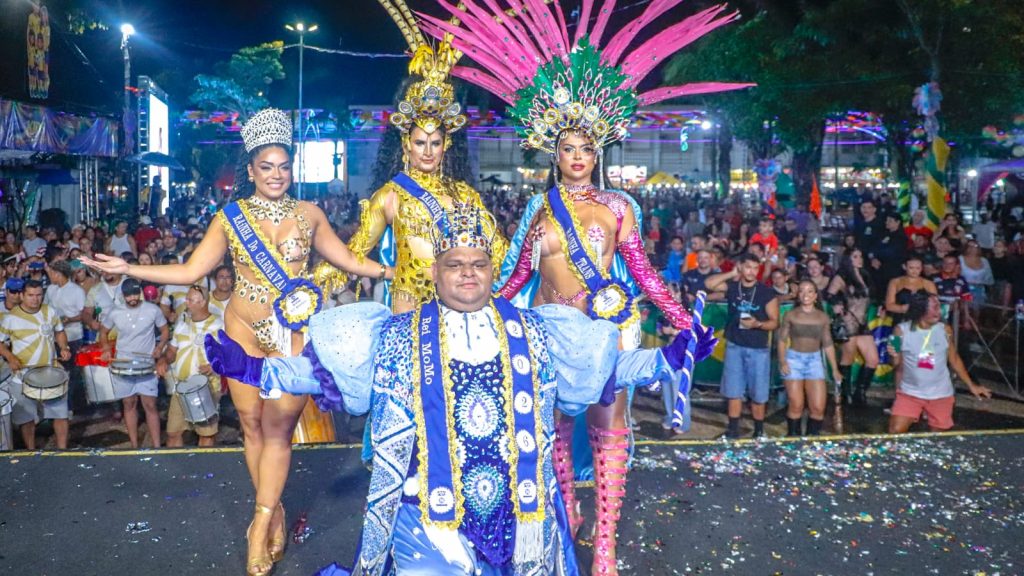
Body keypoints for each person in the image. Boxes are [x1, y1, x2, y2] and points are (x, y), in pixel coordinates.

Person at [206, 202, 705, 576]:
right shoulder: (395, 333)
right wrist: (253, 370)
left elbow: (604, 371)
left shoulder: (537, 329)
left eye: (478, 264)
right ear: (437, 272)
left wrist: (668, 358)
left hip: (522, 514)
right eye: (455, 264)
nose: (468, 273)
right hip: (426, 514)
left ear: (492, 271)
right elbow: (320, 376)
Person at [443, 1, 744, 571]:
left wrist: (683, 321)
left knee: (610, 427)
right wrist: (469, 316)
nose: (578, 158)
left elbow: (646, 272)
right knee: (554, 428)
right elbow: (514, 278)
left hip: (609, 330)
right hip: (551, 332)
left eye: (586, 150)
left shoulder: (618, 205)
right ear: (553, 154)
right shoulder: (537, 208)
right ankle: (566, 513)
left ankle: (604, 539)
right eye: (568, 150)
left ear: (597, 153)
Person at [81, 108, 394, 576]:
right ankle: (275, 509)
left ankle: (259, 523)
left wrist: (396, 273)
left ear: (293, 170)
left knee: (278, 429)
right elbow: (190, 272)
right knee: (250, 424)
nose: (275, 175)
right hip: (242, 331)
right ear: (250, 171)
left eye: (283, 167)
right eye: (265, 167)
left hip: (291, 333)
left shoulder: (310, 215)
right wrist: (129, 269)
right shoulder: (230, 218)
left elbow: (350, 260)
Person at [346, 11, 506, 315]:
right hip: (409, 310)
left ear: (446, 146)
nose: (428, 151)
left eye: (435, 143)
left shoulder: (465, 195)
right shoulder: (391, 196)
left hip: (461, 308)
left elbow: (498, 252)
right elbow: (353, 254)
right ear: (407, 144)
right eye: (420, 143)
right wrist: (387, 273)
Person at [886, 292, 991, 433]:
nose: (939, 311)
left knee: (939, 438)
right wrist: (893, 354)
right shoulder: (901, 330)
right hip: (910, 393)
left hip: (941, 394)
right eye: (934, 307)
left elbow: (953, 358)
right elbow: (895, 364)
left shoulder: (945, 330)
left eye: (939, 306)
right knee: (896, 431)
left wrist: (971, 385)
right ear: (921, 310)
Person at [706, 253, 780, 438]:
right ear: (741, 267)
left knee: (759, 392)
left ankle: (759, 430)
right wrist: (731, 273)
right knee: (733, 390)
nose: (752, 272)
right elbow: (709, 284)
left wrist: (758, 324)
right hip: (735, 345)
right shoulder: (733, 287)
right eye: (748, 267)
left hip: (758, 348)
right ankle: (733, 430)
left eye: (755, 268)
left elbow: (774, 322)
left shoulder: (766, 292)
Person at [0, 279, 72, 449]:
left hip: (51, 372)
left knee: (60, 415)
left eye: (39, 295)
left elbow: (60, 332)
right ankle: (31, 452)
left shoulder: (50, 312)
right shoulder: (10, 318)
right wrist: (10, 357)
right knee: (27, 420)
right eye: (31, 295)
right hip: (23, 377)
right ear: (22, 296)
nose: (35, 299)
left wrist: (64, 347)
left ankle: (63, 452)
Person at [99, 279, 168, 448]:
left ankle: (157, 446)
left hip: (146, 364)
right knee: (129, 404)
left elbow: (165, 330)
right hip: (124, 364)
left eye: (136, 294)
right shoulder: (115, 312)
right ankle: (134, 446)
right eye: (129, 295)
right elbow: (103, 331)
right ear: (123, 296)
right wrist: (106, 348)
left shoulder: (153, 310)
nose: (133, 298)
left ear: (140, 293)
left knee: (150, 405)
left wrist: (159, 347)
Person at [160, 285, 223, 448]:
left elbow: (227, 354)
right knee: (173, 432)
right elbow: (172, 350)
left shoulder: (217, 324)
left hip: (206, 387)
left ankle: (203, 470)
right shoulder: (182, 322)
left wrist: (213, 366)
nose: (186, 302)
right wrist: (164, 360)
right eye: (186, 298)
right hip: (180, 386)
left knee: (206, 435)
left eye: (190, 300)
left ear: (203, 303)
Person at [778, 281, 842, 436]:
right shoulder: (791, 315)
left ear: (815, 295)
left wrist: (834, 369)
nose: (806, 294)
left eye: (809, 291)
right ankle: (793, 438)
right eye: (802, 291)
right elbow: (781, 340)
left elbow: (827, 343)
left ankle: (812, 440)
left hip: (814, 361)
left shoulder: (822, 317)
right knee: (796, 405)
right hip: (794, 360)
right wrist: (783, 361)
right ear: (798, 295)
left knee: (818, 407)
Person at [827, 248, 879, 405]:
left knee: (873, 359)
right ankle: (845, 394)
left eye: (860, 256)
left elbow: (872, 296)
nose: (859, 259)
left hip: (862, 321)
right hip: (849, 320)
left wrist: (881, 306)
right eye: (855, 256)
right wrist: (837, 305)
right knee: (847, 358)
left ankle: (860, 391)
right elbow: (829, 294)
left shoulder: (864, 275)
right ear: (848, 259)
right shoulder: (842, 276)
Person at [44, 260, 86, 409]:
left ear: (58, 274)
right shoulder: (50, 290)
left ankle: (73, 406)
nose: (49, 276)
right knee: (58, 372)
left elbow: (84, 315)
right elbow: (45, 310)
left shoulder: (76, 291)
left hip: (73, 336)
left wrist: (68, 319)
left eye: (51, 273)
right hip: (53, 338)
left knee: (73, 373)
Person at [884, 255, 938, 324]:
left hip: (923, 321)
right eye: (911, 268)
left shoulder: (929, 284)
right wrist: (903, 308)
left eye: (918, 268)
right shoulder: (895, 282)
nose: (914, 271)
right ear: (904, 267)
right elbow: (889, 306)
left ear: (922, 268)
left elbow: (935, 305)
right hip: (900, 320)